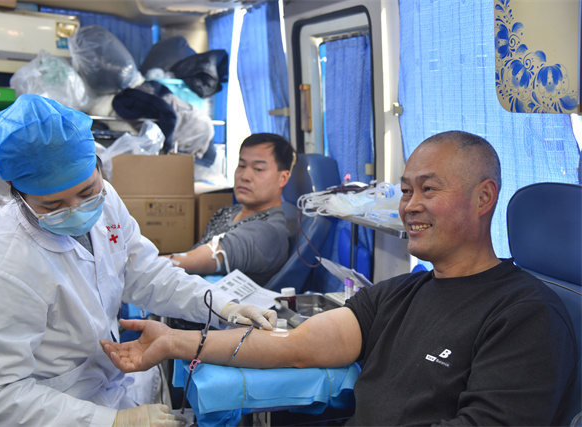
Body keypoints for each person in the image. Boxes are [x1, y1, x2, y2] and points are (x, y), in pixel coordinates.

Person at [101, 130, 578, 426]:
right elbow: (296, 346)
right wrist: (174, 342)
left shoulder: (526, 316)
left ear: (484, 198)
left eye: (429, 190)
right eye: (405, 190)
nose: (410, 206)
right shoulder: (400, 293)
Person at [0, 94, 276, 427]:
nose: (77, 210)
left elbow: (146, 273)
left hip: (109, 385)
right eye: (53, 206)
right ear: (17, 191)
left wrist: (224, 305)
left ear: (98, 165)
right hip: (51, 411)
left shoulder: (106, 200)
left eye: (86, 191)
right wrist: (112, 422)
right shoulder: (0, 262)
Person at [166, 132, 295, 286]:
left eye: (258, 169)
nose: (244, 176)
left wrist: (149, 265)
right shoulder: (226, 212)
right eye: (241, 166)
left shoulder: (268, 232)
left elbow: (199, 259)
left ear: (283, 178)